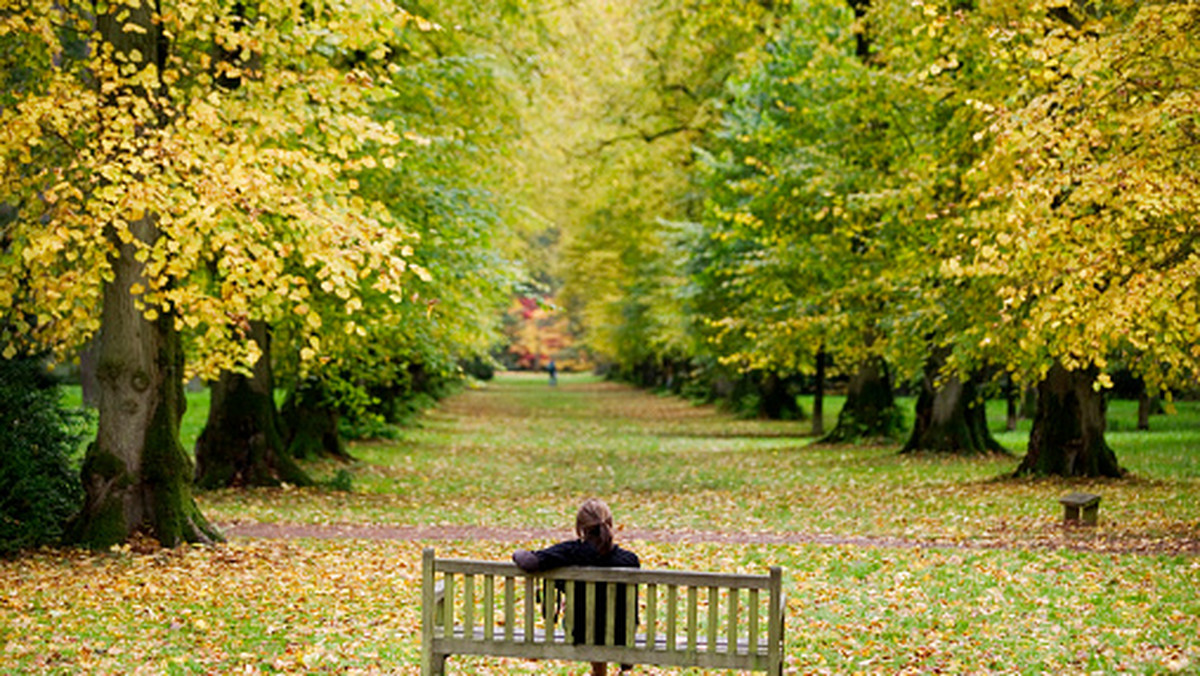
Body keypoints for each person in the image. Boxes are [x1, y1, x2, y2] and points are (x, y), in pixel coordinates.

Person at [513, 498, 639, 676]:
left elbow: (529, 562)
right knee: (606, 612)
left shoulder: (570, 552)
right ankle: (618, 667)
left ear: (580, 527)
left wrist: (517, 552)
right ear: (609, 524)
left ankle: (599, 672)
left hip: (579, 632)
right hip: (620, 635)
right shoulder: (629, 560)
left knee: (588, 616)